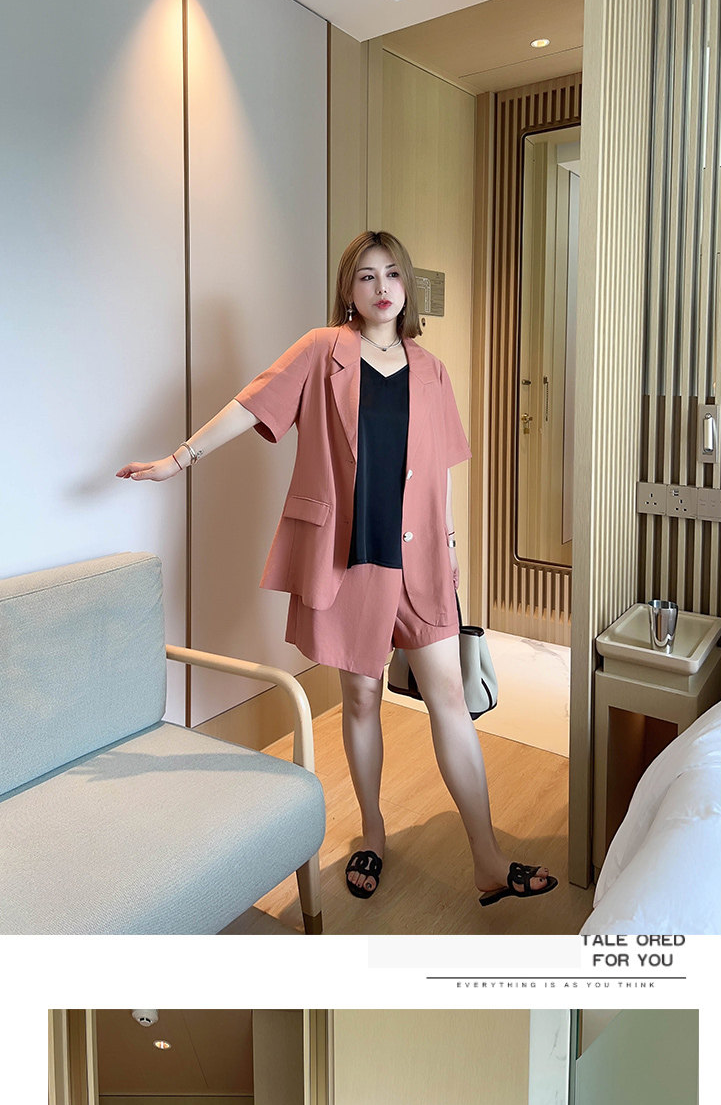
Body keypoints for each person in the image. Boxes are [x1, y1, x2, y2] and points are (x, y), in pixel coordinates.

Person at [118, 231, 556, 912]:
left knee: (449, 696)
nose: (382, 287)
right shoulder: (323, 350)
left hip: (418, 557)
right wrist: (178, 460)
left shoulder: (432, 369)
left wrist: (448, 542)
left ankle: (487, 859)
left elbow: (439, 470)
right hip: (349, 555)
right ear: (348, 290)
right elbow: (252, 402)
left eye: (393, 274)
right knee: (360, 699)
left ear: (406, 287)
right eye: (366, 275)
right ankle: (372, 833)